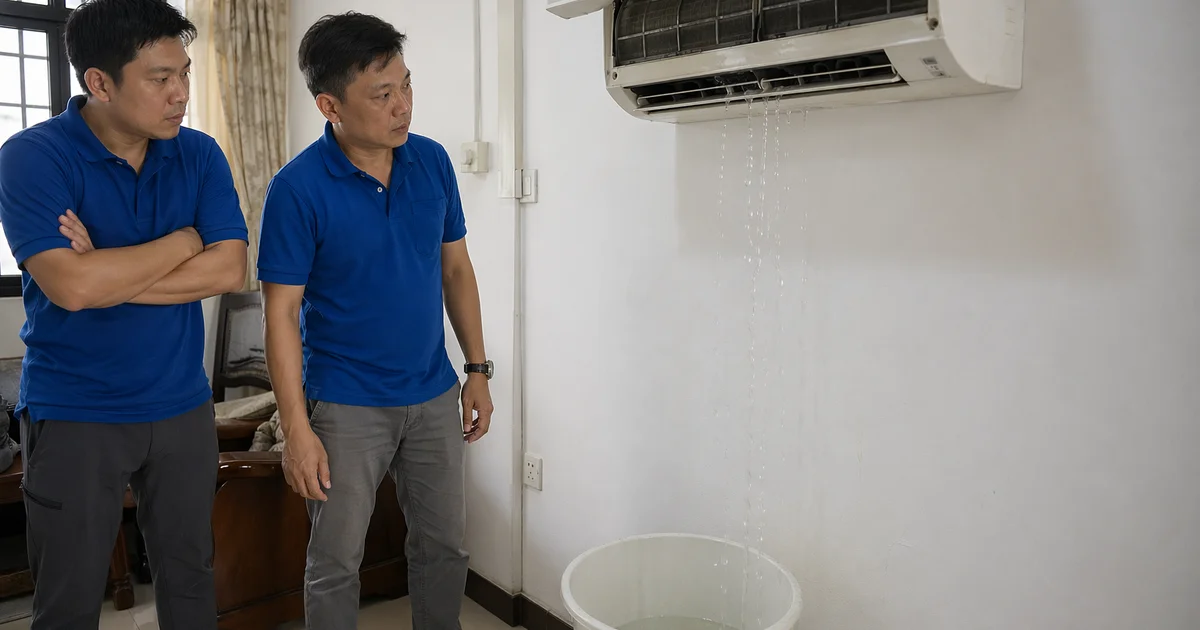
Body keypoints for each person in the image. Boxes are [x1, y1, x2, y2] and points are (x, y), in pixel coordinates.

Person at [0, 0, 248, 627]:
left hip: (182, 404)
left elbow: (230, 270)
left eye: (185, 74)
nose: (180, 93)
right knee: (68, 599)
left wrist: (105, 269)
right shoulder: (32, 156)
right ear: (100, 83)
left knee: (192, 579)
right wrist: (184, 241)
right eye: (160, 78)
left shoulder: (199, 152)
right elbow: (72, 290)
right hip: (76, 408)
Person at [257, 11, 494, 630]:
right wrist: (296, 429)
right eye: (382, 95)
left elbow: (457, 273)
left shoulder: (432, 163)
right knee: (335, 562)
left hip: (434, 391)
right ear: (330, 105)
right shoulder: (297, 188)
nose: (402, 107)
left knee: (444, 549)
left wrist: (477, 369)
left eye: (406, 86)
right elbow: (280, 314)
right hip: (345, 403)